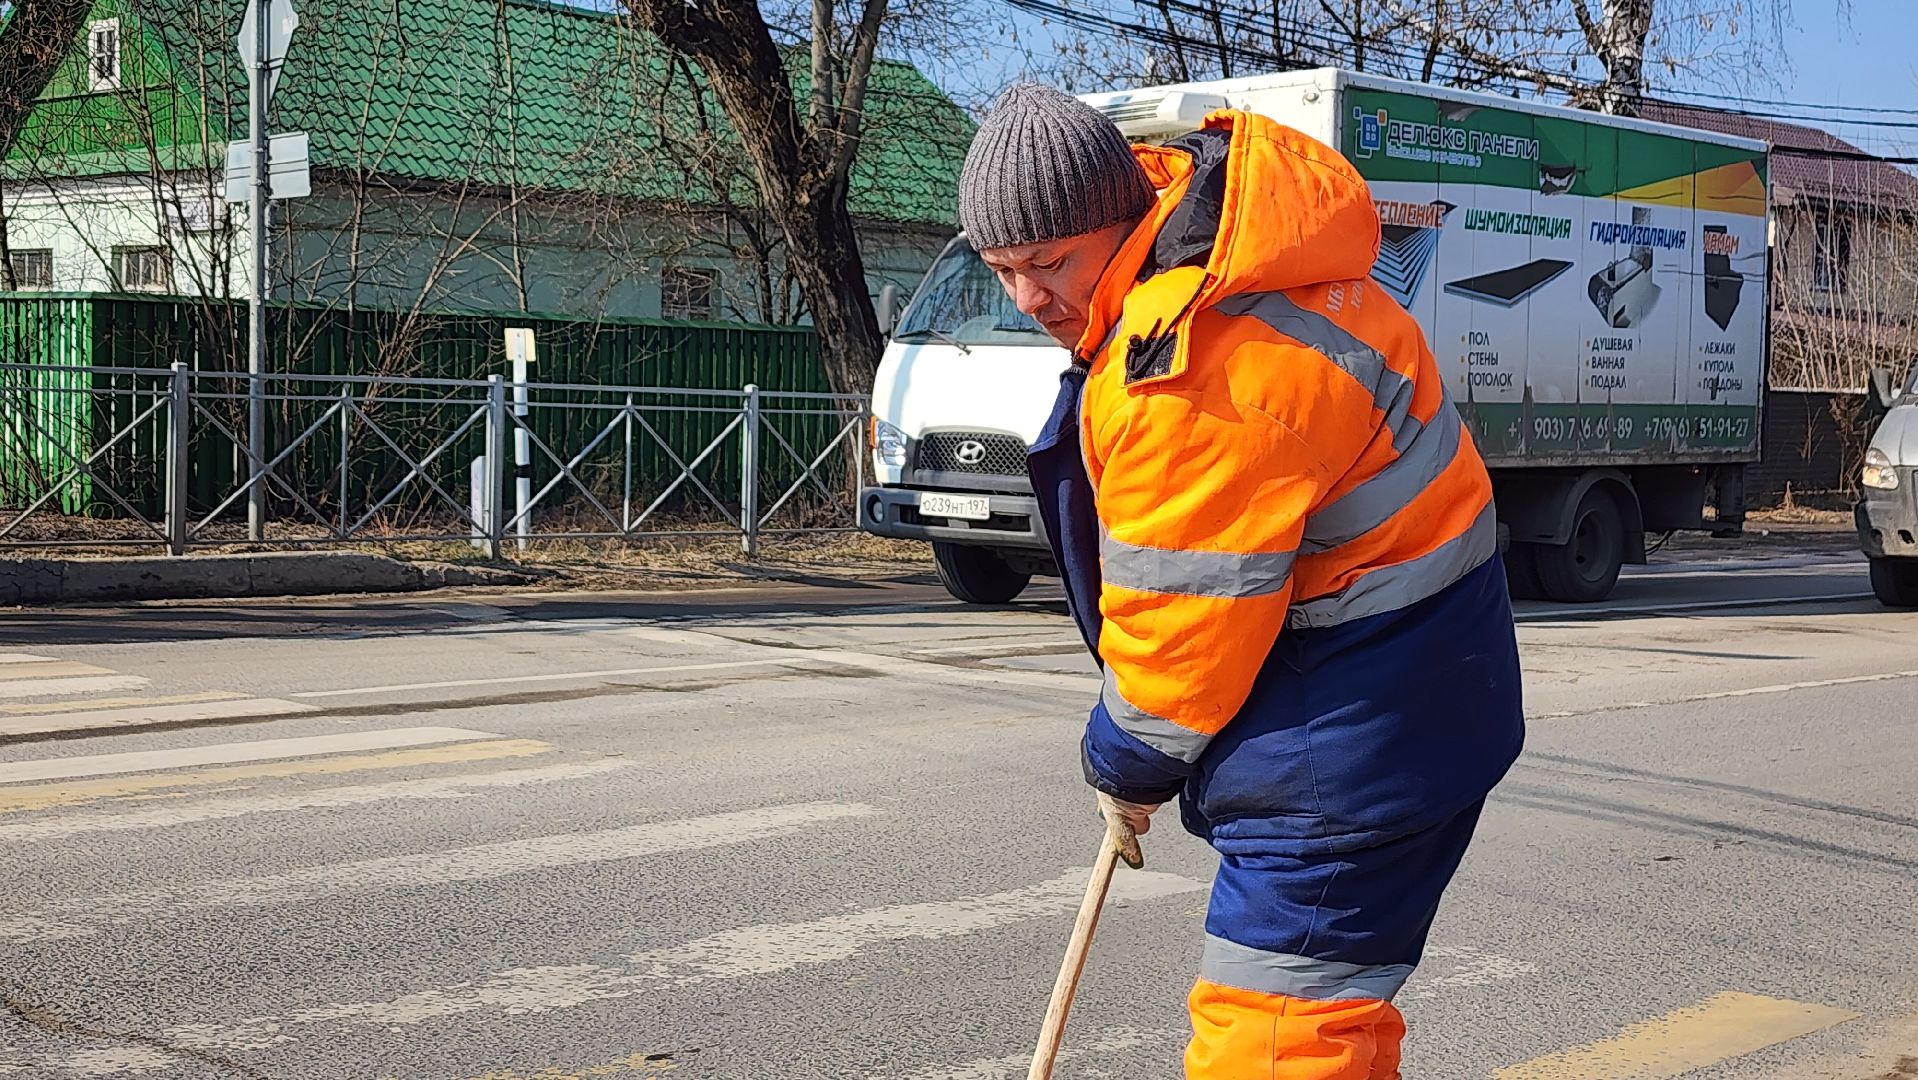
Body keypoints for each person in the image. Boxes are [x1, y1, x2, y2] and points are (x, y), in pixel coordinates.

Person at [956, 83, 1526, 1078]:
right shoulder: (1229, 261)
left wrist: (1123, 759)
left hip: (1350, 743)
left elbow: (1184, 633)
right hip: (1401, 702)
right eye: (1002, 271)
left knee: (1277, 1043)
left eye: (1049, 264)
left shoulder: (1194, 365)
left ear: (1123, 215)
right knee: (1328, 1018)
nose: (1028, 299)